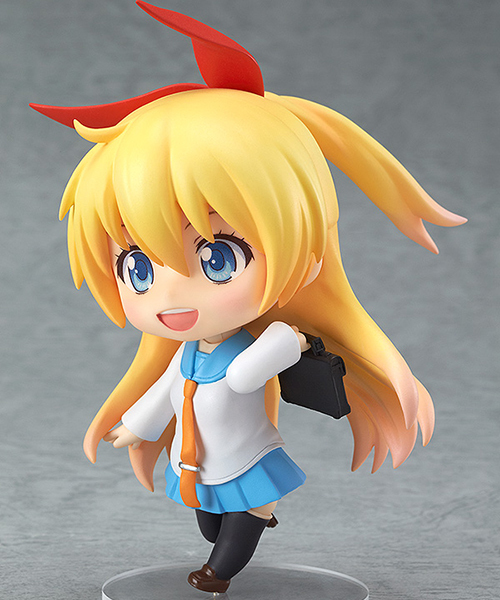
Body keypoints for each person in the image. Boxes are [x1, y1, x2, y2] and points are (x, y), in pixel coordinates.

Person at [31, 1, 466, 593]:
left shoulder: (249, 352)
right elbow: (166, 391)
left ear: (305, 254)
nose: (170, 291)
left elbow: (250, 372)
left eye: (218, 257)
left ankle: (221, 570)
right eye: (138, 266)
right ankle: (232, 536)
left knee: (236, 523)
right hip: (201, 465)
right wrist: (135, 426)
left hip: (246, 459)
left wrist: (285, 343)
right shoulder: (186, 355)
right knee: (208, 518)